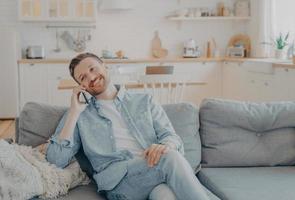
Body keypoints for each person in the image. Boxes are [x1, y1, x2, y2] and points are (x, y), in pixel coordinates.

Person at [46, 52, 210, 200]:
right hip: (120, 183)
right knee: (170, 157)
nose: (91, 77)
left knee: (165, 194)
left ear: (105, 66)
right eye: (83, 78)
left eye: (93, 69)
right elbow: (55, 160)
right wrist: (74, 113)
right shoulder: (79, 114)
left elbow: (171, 137)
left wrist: (164, 146)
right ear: (82, 87)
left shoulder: (145, 101)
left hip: (153, 172)